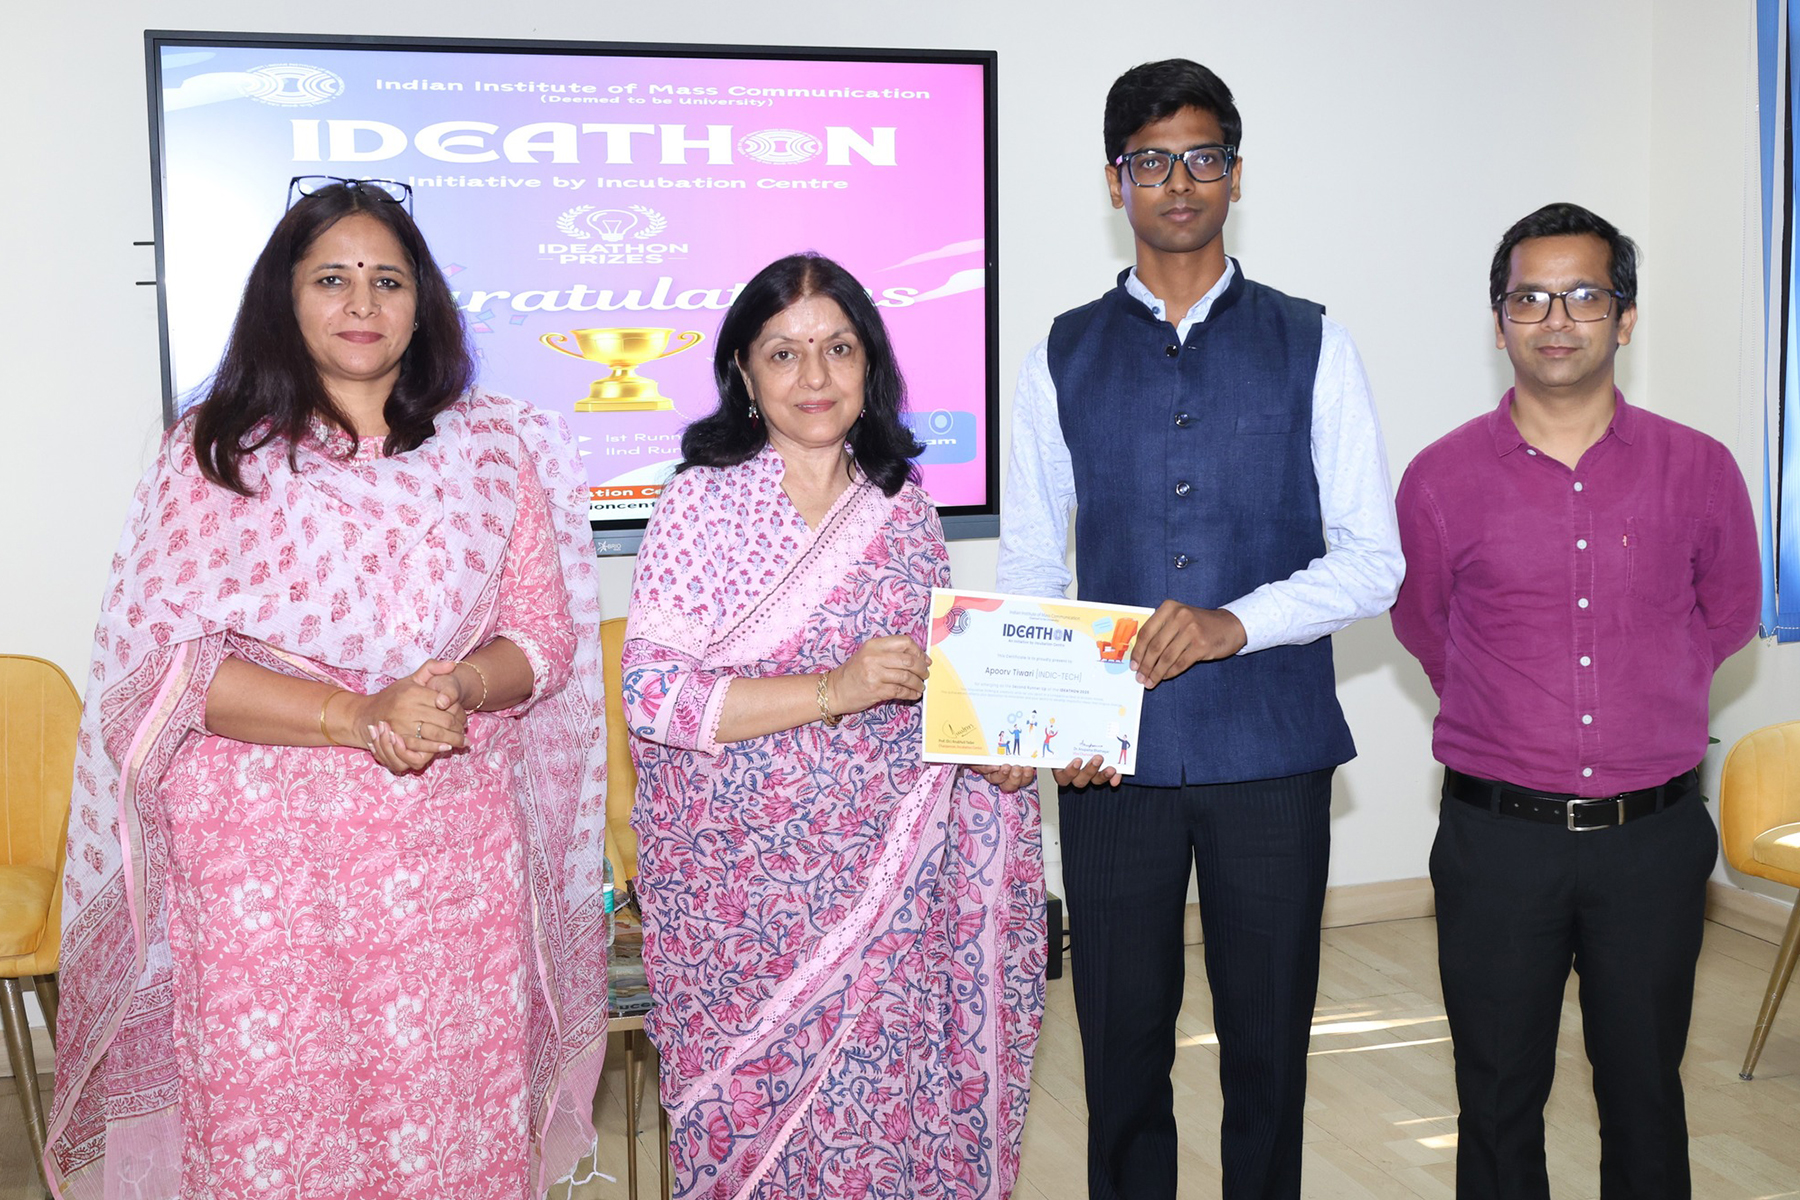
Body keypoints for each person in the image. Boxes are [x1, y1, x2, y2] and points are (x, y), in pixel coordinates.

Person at [48, 179, 610, 1198]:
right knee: (273, 1128)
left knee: (449, 1126)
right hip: (262, 868)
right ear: (286, 296)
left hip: (449, 860)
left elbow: (542, 638)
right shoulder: (216, 453)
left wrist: (457, 685)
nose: (362, 302)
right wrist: (358, 714)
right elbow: (165, 671)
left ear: (422, 303)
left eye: (388, 280)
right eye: (332, 279)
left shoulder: (497, 448)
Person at [997, 59, 1404, 1200]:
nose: (1179, 182)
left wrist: (1237, 623)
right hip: (1107, 762)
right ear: (1115, 180)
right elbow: (1031, 565)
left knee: (1268, 1049)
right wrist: (1046, 723)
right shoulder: (1058, 354)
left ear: (1235, 172)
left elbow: (1374, 560)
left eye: (1203, 157)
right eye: (1152, 161)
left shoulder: (1313, 342)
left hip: (1272, 751)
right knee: (1121, 1051)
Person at [624, 252, 1045, 1199]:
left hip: (896, 899)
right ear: (744, 371)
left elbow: (939, 686)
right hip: (743, 910)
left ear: (870, 363)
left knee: (885, 1127)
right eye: (784, 352)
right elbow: (652, 697)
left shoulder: (903, 506)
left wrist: (995, 754)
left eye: (838, 349)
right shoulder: (700, 503)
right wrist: (833, 689)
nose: (814, 377)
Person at [1391, 203, 1759, 1200]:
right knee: (1496, 1100)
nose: (1556, 319)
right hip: (1497, 842)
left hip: (1652, 841)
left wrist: (1649, 697)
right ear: (1498, 321)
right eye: (1530, 299)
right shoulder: (1439, 478)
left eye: (1585, 295)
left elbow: (1727, 617)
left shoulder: (1700, 468)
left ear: (1625, 318)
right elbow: (1426, 626)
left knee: (1645, 1095)